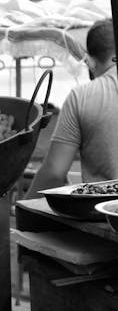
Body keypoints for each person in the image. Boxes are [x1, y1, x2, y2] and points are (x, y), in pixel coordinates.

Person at [24, 19, 118, 198]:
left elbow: (54, 173)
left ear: (89, 61)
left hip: (105, 220)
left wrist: (23, 207)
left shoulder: (81, 97)